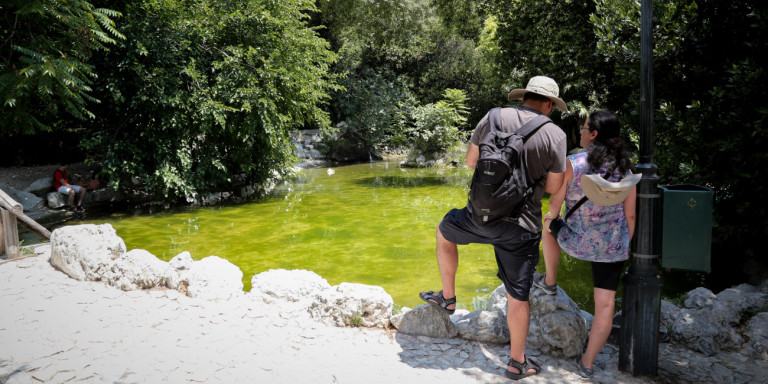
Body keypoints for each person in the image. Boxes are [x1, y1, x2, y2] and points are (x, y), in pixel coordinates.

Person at [419, 76, 568, 380]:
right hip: (521, 227)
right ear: (549, 104)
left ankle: (448, 298)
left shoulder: (493, 116)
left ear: (524, 96)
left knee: (444, 232)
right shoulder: (555, 134)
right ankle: (516, 362)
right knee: (518, 295)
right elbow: (554, 187)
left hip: (478, 217)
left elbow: (471, 161)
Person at [537, 110, 637, 379]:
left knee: (547, 226)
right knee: (604, 306)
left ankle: (550, 281)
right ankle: (588, 363)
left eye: (583, 128)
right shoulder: (625, 168)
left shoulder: (574, 163)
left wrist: (550, 216)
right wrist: (622, 246)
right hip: (612, 247)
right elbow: (630, 215)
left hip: (576, 241)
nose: (580, 132)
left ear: (593, 135)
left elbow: (554, 209)